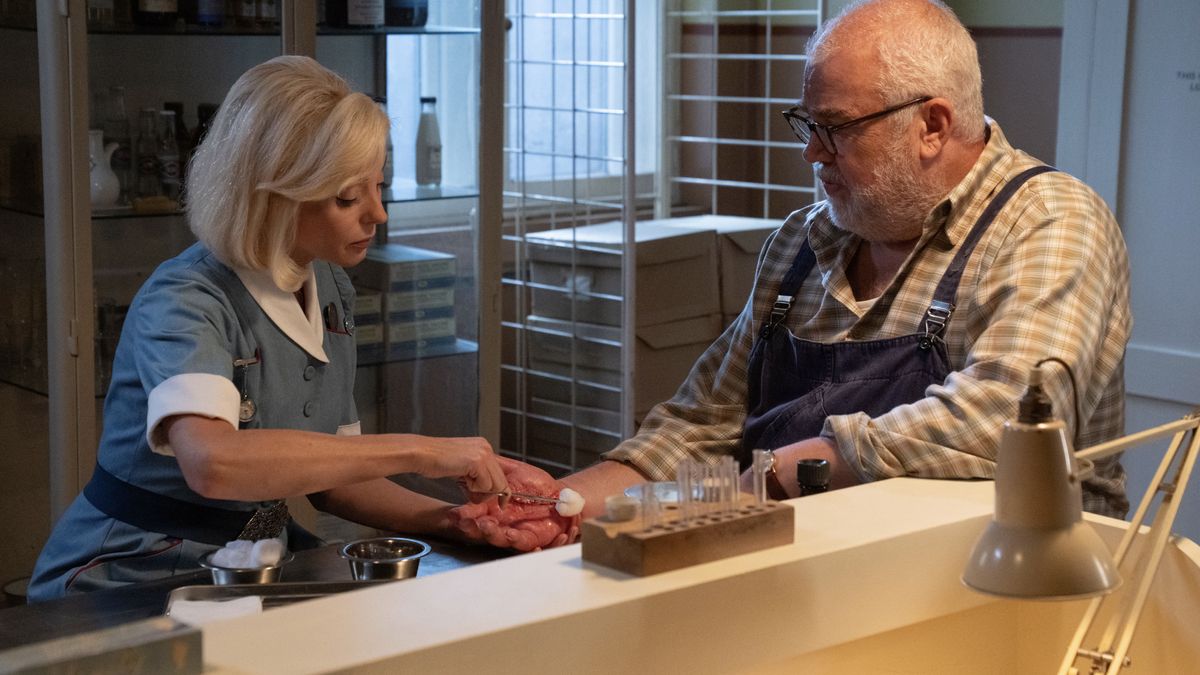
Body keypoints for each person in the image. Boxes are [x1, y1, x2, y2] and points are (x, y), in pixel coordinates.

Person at [557, 0, 1131, 523]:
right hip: (804, 569)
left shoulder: (1048, 222)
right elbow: (702, 424)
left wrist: (784, 473)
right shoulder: (802, 241)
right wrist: (562, 506)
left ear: (931, 125)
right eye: (809, 124)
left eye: (835, 128)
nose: (811, 151)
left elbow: (1008, 423)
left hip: (1006, 578)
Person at [28, 56, 561, 600]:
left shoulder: (327, 286)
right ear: (273, 196)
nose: (376, 214)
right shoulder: (186, 299)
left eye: (379, 187)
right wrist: (425, 451)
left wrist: (455, 520)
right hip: (131, 574)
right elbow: (213, 463)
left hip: (254, 566)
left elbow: (335, 481)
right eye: (348, 197)